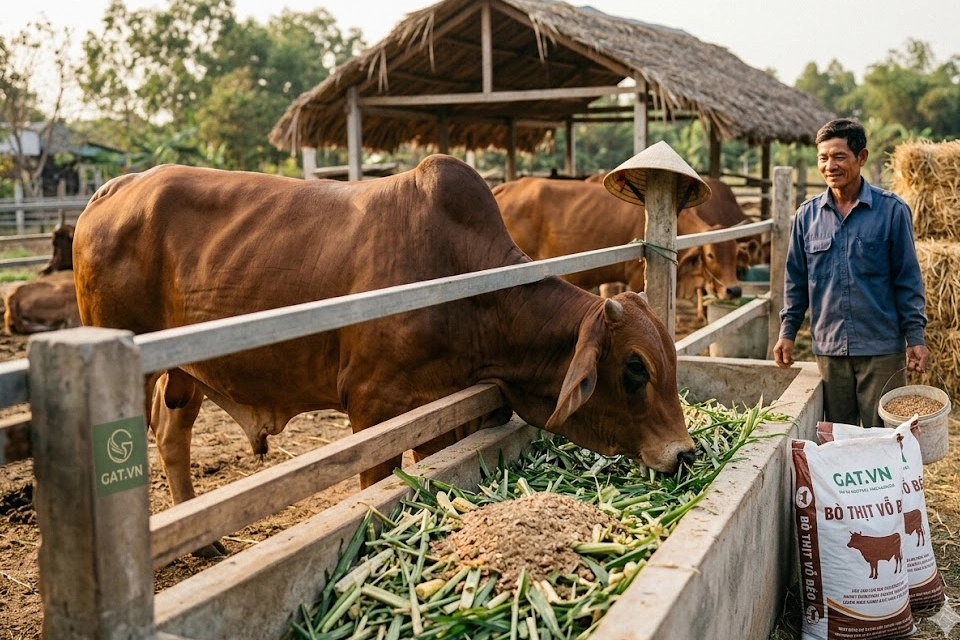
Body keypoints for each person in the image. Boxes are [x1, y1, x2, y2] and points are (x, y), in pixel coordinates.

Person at [773, 118, 930, 427]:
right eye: (823, 157)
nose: (830, 165)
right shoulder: (806, 216)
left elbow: (907, 280)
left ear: (862, 158)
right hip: (829, 350)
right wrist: (787, 332)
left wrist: (915, 337)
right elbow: (796, 281)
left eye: (839, 156)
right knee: (837, 440)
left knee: (882, 440)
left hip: (881, 350)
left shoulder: (892, 211)